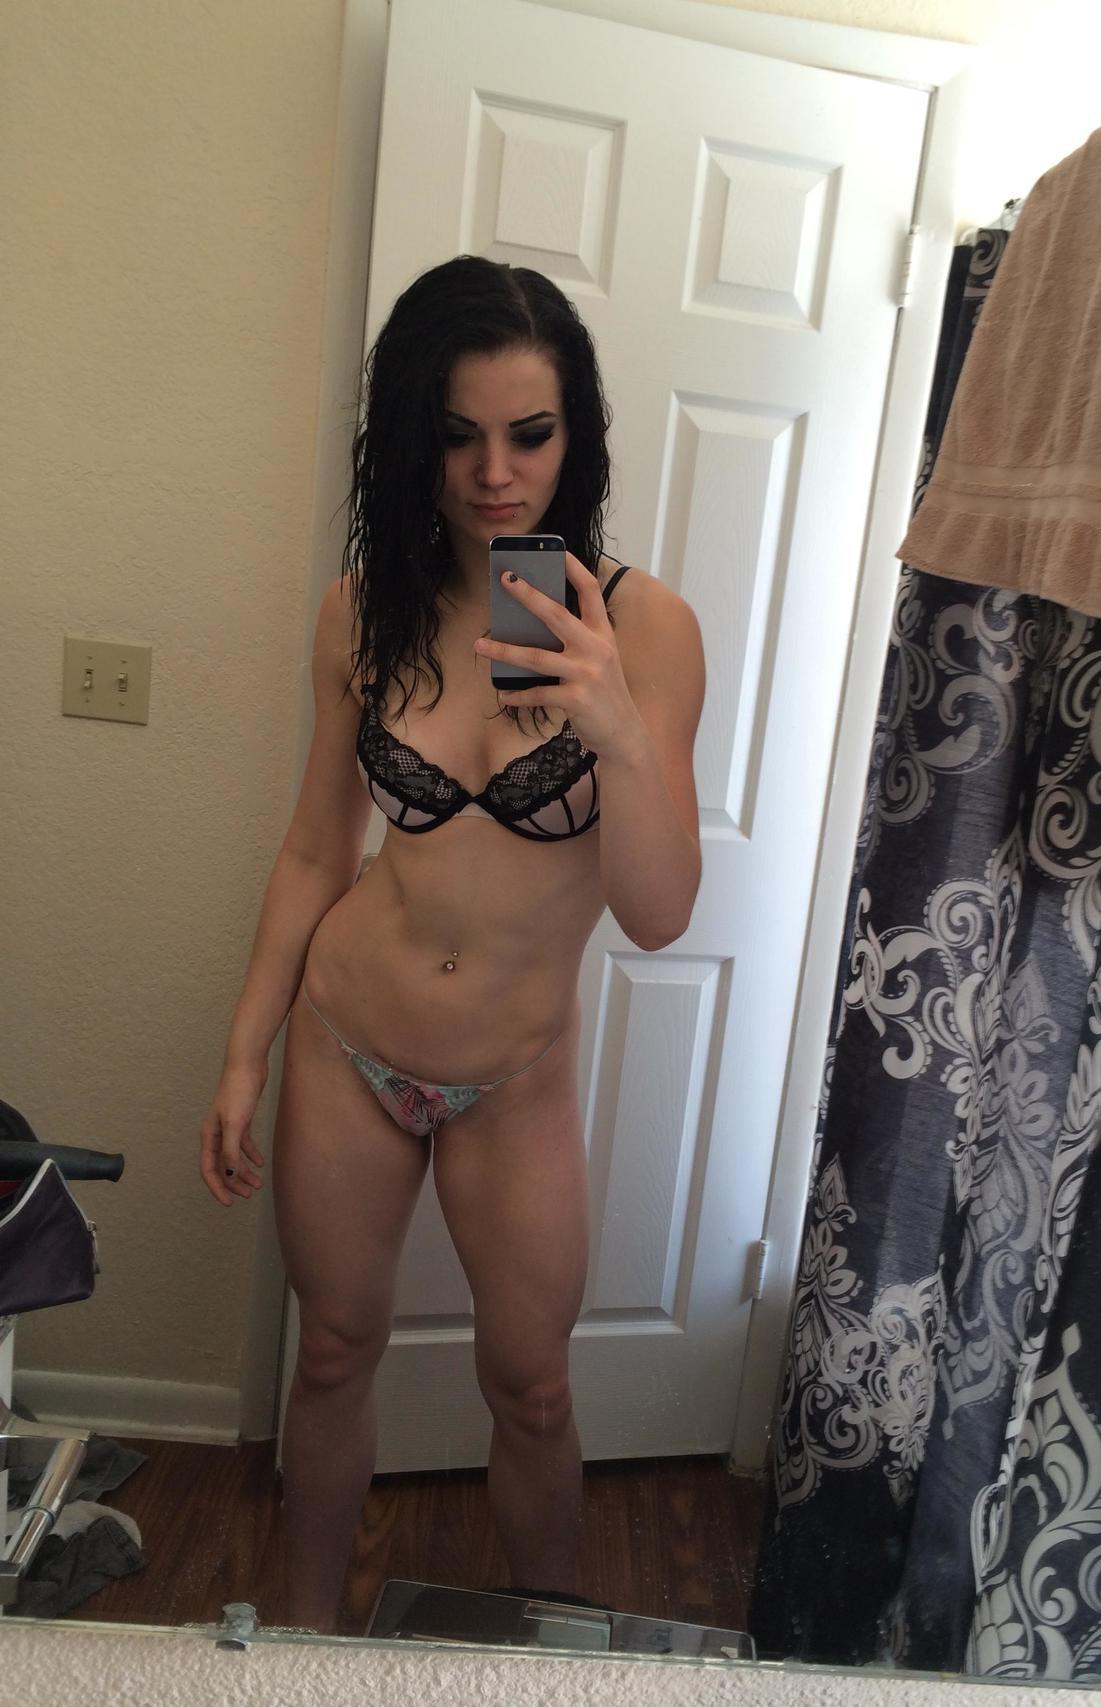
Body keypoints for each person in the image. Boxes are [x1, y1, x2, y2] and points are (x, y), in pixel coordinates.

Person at [197, 255, 704, 1631]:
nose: (494, 475)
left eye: (529, 435)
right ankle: (306, 1652)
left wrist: (614, 729)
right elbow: (319, 851)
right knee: (330, 1356)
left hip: (515, 1079)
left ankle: (546, 1659)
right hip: (347, 1041)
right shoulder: (361, 613)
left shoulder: (644, 629)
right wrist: (243, 1054)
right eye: (458, 435)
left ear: (576, 435)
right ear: (412, 437)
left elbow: (659, 911)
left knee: (531, 1387)